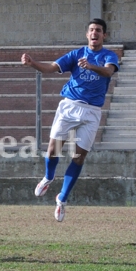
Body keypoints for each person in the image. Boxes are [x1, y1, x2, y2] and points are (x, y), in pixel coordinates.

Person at [21, 18, 119, 222]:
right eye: (91, 30)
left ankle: (62, 199)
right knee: (53, 150)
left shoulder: (109, 55)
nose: (95, 33)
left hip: (92, 111)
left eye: (99, 31)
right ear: (87, 34)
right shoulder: (76, 54)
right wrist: (33, 64)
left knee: (79, 157)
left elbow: (109, 71)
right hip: (70, 105)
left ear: (104, 35)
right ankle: (48, 177)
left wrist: (91, 66)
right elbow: (52, 67)